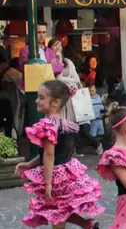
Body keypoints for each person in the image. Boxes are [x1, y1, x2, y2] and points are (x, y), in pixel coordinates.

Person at [14, 80, 103, 229]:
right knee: (61, 208)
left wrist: (48, 183)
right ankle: (87, 224)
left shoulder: (48, 125)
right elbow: (49, 152)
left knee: (57, 213)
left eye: (41, 98)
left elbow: (49, 155)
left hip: (55, 176)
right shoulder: (66, 124)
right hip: (67, 171)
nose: (37, 100)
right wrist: (30, 164)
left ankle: (86, 224)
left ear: (55, 103)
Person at [19, 22, 63, 91]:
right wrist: (49, 67)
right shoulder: (25, 50)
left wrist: (44, 68)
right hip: (31, 88)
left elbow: (59, 68)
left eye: (44, 32)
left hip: (47, 87)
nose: (42, 35)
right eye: (39, 32)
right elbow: (29, 70)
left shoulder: (49, 51)